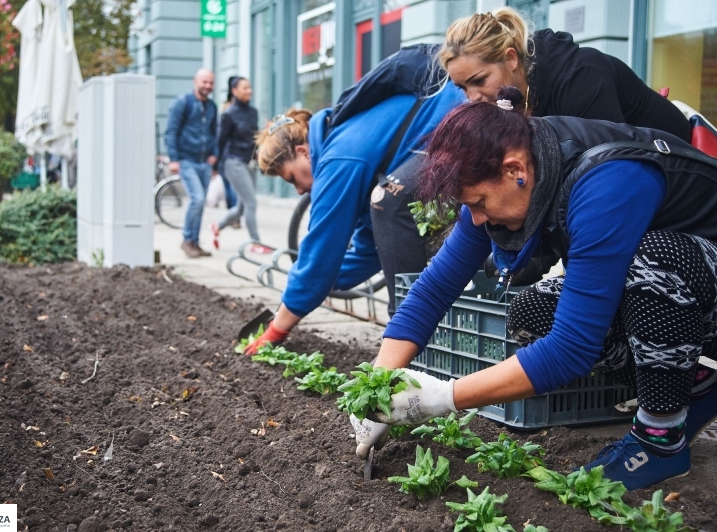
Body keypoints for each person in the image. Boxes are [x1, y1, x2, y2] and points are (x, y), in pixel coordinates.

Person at [352, 86, 717, 491]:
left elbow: (571, 350)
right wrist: (379, 382)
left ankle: (661, 440)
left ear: (513, 170)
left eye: (478, 201)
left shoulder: (607, 180)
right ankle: (695, 384)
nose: (474, 218)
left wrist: (442, 398)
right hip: (687, 296)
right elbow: (434, 288)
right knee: (533, 311)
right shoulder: (517, 172)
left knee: (651, 261)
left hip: (694, 276)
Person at [243, 77, 466, 353]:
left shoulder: (338, 158)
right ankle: (416, 337)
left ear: (303, 152)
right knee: (389, 213)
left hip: (456, 122)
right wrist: (319, 282)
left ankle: (413, 339)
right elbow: (371, 248)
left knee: (390, 204)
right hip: (444, 129)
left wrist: (278, 328)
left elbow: (320, 251)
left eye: (292, 178)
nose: (300, 190)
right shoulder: (339, 144)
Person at [439, 7, 691, 142]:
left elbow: (611, 167)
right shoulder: (513, 95)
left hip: (683, 177)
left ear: (511, 58)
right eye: (462, 87)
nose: (472, 97)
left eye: (479, 80)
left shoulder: (580, 78)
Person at [211, 76, 271, 254]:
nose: (249, 91)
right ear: (234, 91)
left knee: (242, 207)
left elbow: (254, 139)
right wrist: (216, 166)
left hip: (249, 162)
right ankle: (256, 243)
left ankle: (217, 226)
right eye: (245, 88)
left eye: (250, 87)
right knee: (251, 202)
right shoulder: (228, 114)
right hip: (233, 162)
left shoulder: (253, 112)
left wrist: (266, 133)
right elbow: (220, 141)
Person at [165, 68, 218, 258]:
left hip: (205, 162)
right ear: (195, 82)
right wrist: (173, 159)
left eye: (211, 83)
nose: (208, 86)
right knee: (197, 198)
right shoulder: (183, 103)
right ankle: (187, 240)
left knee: (201, 202)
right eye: (204, 82)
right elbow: (171, 131)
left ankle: (194, 242)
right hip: (186, 160)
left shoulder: (212, 106)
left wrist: (215, 156)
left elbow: (214, 133)